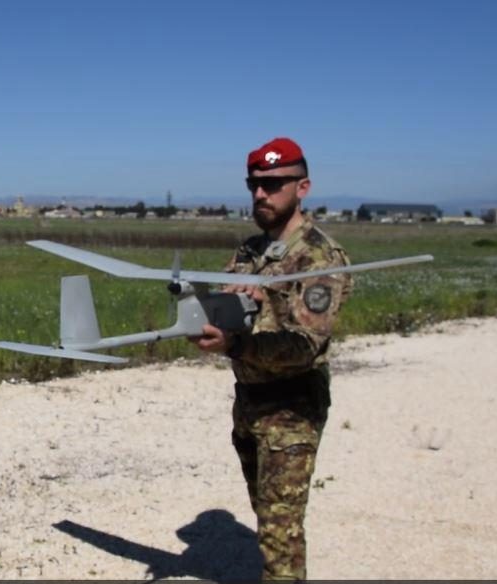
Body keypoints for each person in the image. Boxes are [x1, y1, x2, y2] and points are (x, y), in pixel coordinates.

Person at [193, 137, 351, 580]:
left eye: (274, 184)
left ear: (303, 187)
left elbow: (306, 343)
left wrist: (240, 340)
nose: (261, 194)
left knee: (280, 535)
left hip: (291, 406)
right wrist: (204, 320)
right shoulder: (249, 252)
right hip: (249, 400)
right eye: (254, 184)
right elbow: (223, 310)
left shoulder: (320, 257)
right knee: (267, 517)